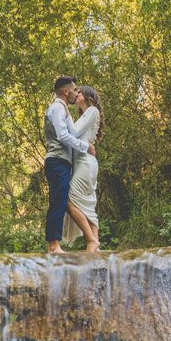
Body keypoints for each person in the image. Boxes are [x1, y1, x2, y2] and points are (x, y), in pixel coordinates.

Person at [43, 75, 96, 254]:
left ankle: (54, 245)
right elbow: (63, 136)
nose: (76, 93)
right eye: (74, 90)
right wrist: (85, 146)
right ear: (65, 91)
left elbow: (73, 132)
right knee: (59, 201)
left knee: (59, 201)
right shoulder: (57, 108)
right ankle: (54, 245)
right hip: (57, 160)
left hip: (62, 161)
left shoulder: (64, 109)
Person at [62, 85, 103, 252]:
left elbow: (74, 132)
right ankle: (94, 248)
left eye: (79, 92)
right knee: (87, 205)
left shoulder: (92, 110)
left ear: (87, 96)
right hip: (84, 163)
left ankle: (91, 240)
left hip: (86, 163)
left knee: (69, 201)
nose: (76, 93)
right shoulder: (84, 115)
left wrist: (65, 112)